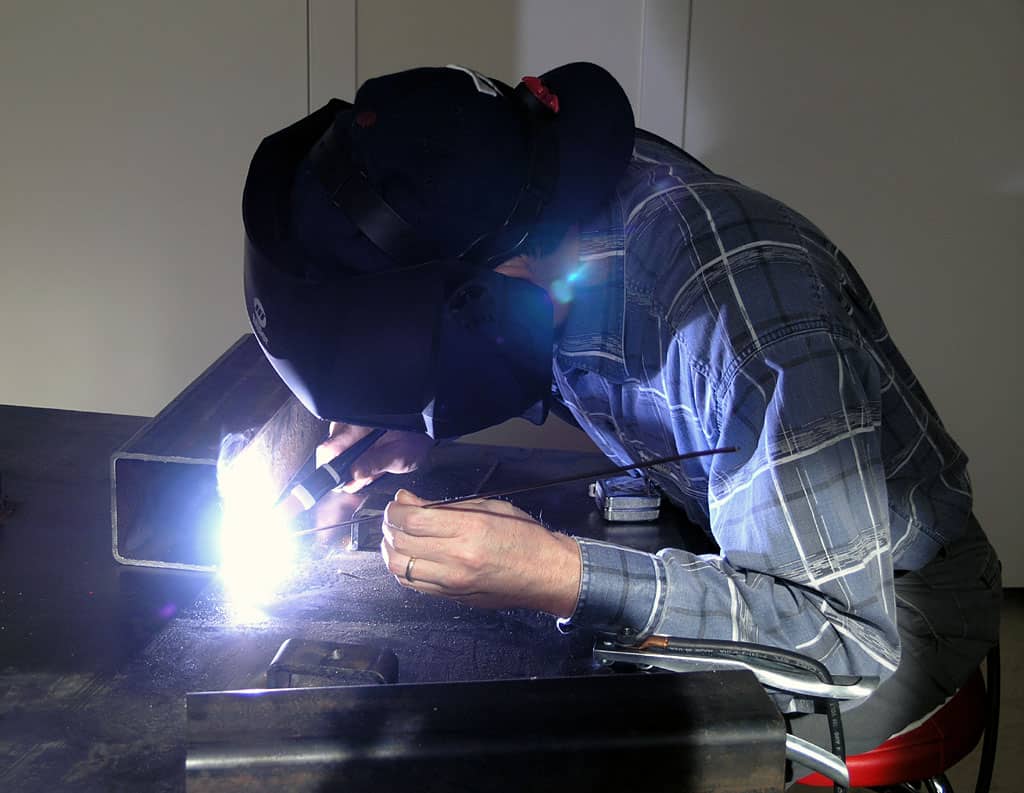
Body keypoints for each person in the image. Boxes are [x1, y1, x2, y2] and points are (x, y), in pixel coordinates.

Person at [241, 62, 1001, 771]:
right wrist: (411, 418)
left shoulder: (734, 297)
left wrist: (556, 573)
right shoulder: (545, 217)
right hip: (743, 538)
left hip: (891, 617)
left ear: (492, 285)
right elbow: (583, 360)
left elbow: (844, 645)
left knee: (550, 746)